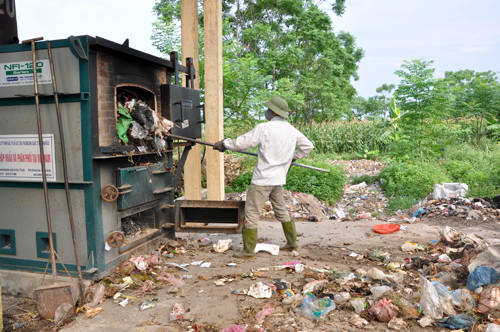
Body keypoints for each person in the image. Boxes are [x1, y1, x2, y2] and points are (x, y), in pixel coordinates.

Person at [213, 97, 314, 259]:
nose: (266, 111)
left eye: (268, 109)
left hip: (262, 180)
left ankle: (248, 251)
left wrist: (225, 144)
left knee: (251, 212)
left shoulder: (263, 128)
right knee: (280, 209)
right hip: (278, 179)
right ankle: (292, 242)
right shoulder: (292, 130)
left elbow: (241, 144)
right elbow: (308, 146)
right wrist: (294, 157)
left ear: (273, 112)